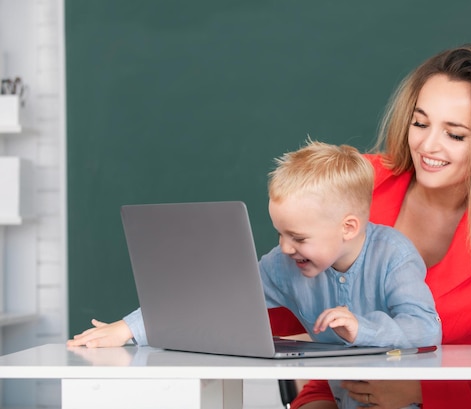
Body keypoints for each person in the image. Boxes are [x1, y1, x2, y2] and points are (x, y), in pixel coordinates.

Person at [271, 43, 471, 409]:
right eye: (420, 123)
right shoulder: (360, 182)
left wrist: (422, 391)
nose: (427, 145)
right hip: (336, 390)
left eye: (455, 134)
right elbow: (285, 301)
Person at [68, 140, 442, 409]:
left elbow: (426, 328)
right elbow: (215, 299)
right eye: (280, 233)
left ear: (348, 227)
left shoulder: (394, 254)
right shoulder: (285, 264)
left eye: (298, 237)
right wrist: (129, 329)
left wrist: (364, 328)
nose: (284, 247)